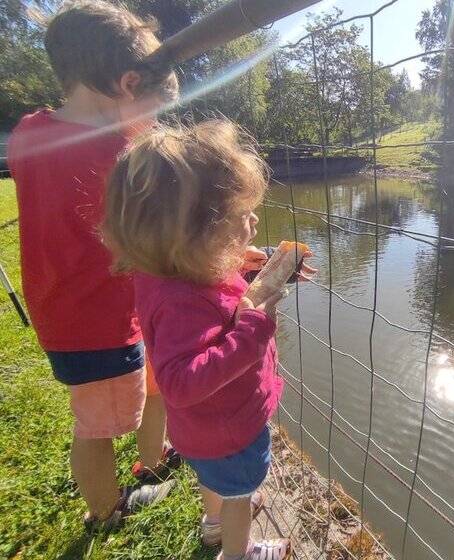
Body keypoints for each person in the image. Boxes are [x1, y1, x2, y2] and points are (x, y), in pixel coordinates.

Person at [102, 119, 315, 560]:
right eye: (239, 218)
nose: (254, 221)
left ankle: (214, 520)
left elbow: (212, 295)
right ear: (196, 235)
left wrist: (243, 267)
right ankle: (238, 549)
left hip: (205, 434)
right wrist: (254, 328)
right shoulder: (181, 301)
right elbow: (180, 382)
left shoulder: (169, 269)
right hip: (230, 429)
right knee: (241, 495)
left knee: (215, 479)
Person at [6, 1, 180, 531]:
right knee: (98, 428)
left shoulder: (29, 130)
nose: (152, 123)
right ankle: (105, 512)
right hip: (96, 323)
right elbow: (140, 244)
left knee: (152, 383)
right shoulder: (113, 157)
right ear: (128, 84)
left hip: (69, 307)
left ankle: (154, 461)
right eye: (153, 107)